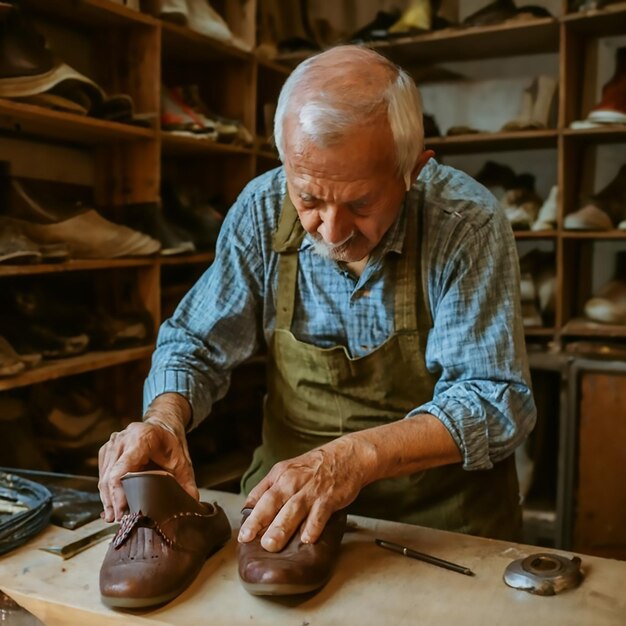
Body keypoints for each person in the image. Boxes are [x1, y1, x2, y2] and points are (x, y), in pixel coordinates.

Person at [98, 45, 536, 553]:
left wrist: (353, 459)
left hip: (443, 521)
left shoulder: (465, 225)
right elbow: (196, 342)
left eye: (361, 203)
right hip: (286, 508)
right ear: (286, 162)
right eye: (308, 198)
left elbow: (495, 398)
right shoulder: (263, 208)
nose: (332, 230)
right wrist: (164, 418)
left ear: (413, 170)